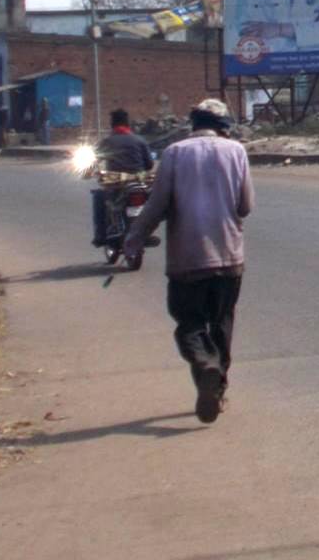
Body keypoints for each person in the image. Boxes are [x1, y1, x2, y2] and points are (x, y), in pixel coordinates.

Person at [124, 99, 253, 424]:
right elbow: (245, 205)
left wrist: (135, 238)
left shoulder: (174, 153)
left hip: (187, 258)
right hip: (229, 256)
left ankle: (204, 365)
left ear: (193, 124)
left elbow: (157, 205)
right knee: (222, 322)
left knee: (190, 325)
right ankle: (217, 387)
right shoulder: (236, 151)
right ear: (223, 126)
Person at [90, 109, 154, 247]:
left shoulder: (107, 141)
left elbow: (93, 161)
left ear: (112, 124)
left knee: (99, 197)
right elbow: (149, 164)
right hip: (139, 183)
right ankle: (146, 231)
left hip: (116, 184)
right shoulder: (139, 140)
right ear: (128, 124)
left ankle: (101, 236)